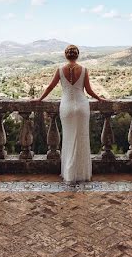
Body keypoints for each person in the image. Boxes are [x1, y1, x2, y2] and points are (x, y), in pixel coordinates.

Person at [33, 44, 105, 182]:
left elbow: (50, 87)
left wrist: (39, 99)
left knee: (68, 138)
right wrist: (100, 98)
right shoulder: (84, 69)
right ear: (77, 55)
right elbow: (89, 91)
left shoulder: (60, 70)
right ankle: (82, 173)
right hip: (82, 107)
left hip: (66, 107)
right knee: (82, 138)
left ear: (66, 55)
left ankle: (69, 172)